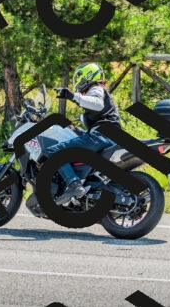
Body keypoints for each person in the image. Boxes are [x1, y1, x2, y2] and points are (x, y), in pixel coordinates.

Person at [47, 63, 121, 205]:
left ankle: (73, 184)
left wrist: (72, 96)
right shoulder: (99, 93)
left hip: (102, 135)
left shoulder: (96, 89)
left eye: (79, 76)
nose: (77, 80)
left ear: (88, 75)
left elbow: (97, 104)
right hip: (109, 136)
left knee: (54, 151)